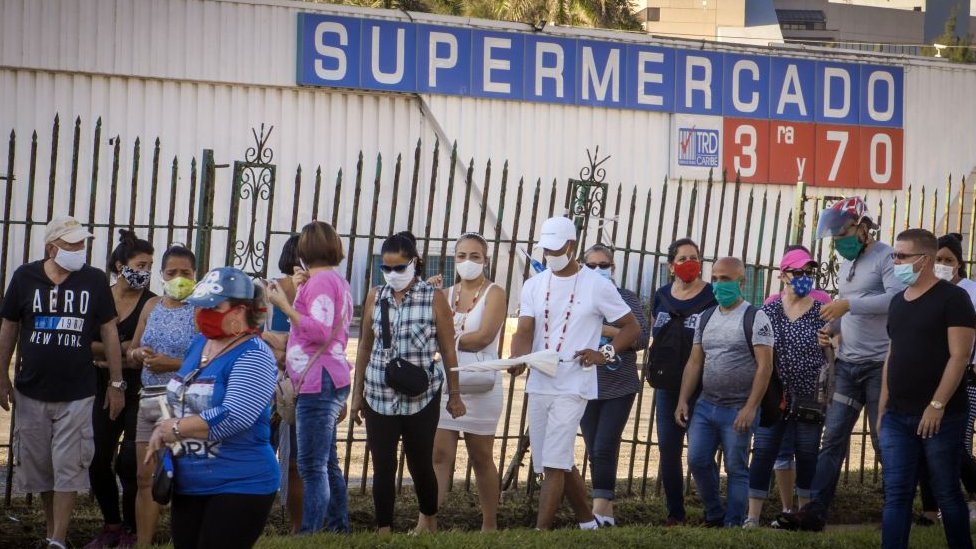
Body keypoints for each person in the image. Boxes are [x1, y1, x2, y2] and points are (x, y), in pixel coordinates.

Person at [777, 197, 904, 532]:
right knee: (832, 439)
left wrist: (848, 304)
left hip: (879, 365)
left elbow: (895, 299)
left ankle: (896, 509)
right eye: (833, 236)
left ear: (863, 227)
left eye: (842, 233)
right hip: (847, 365)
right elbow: (850, 312)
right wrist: (831, 327)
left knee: (882, 440)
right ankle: (815, 513)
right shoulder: (846, 261)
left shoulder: (885, 256)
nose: (837, 242)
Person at [0, 215, 124, 549]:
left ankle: (57, 539)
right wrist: (1, 377)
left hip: (77, 392)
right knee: (42, 468)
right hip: (31, 390)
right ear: (52, 247)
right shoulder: (25, 277)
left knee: (68, 465)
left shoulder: (94, 281)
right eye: (73, 244)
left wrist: (116, 382)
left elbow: (109, 330)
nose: (80, 250)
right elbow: (9, 326)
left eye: (82, 243)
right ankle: (53, 534)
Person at [509, 217, 640, 530]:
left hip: (575, 382)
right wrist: (517, 358)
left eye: (556, 248)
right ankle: (588, 523)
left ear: (570, 246)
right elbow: (524, 329)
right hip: (540, 380)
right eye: (546, 249)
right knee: (552, 460)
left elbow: (632, 327)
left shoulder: (596, 284)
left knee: (554, 461)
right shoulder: (533, 285)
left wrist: (604, 353)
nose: (550, 255)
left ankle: (541, 531)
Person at [145, 267, 279, 549]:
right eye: (200, 306)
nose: (202, 314)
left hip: (240, 483)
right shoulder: (199, 344)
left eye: (213, 307)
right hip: (189, 483)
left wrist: (176, 429)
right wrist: (163, 428)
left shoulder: (254, 355)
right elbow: (181, 396)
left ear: (241, 310)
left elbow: (235, 415)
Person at [349, 231, 466, 533]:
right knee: (383, 466)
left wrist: (455, 394)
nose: (392, 274)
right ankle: (383, 529)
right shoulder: (377, 295)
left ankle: (429, 520)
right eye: (386, 268)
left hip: (420, 396)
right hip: (378, 393)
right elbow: (364, 346)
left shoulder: (433, 297)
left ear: (415, 263)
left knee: (419, 464)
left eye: (399, 268)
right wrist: (357, 393)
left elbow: (448, 348)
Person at [878, 229, 975, 549]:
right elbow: (892, 355)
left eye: (902, 256)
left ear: (925, 260)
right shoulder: (897, 302)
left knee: (946, 491)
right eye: (894, 255)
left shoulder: (954, 298)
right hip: (897, 417)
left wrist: (937, 404)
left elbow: (960, 356)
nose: (896, 262)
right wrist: (882, 410)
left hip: (942, 417)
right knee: (897, 494)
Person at [675, 257, 774, 528]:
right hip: (707, 405)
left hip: (739, 407)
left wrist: (751, 407)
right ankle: (715, 514)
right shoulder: (706, 317)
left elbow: (765, 366)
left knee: (736, 467)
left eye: (726, 279)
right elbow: (695, 361)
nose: (719, 285)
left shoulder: (756, 317)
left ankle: (733, 524)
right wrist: (683, 399)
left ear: (741, 282)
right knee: (697, 459)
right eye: (715, 279)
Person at [267, 221, 353, 535]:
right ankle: (337, 527)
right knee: (326, 462)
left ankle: (311, 532)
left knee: (311, 466)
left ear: (304, 250)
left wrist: (284, 306)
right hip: (326, 377)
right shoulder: (334, 281)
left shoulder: (321, 283)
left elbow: (318, 330)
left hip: (318, 381)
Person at [745, 246, 829, 527]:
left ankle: (803, 514)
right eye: (798, 272)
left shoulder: (821, 311)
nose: (805, 277)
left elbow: (835, 354)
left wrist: (832, 345)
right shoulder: (767, 310)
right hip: (775, 397)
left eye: (809, 272)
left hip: (809, 397)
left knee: (807, 454)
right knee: (764, 451)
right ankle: (752, 516)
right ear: (783, 276)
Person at [430, 233, 507, 531]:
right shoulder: (445, 294)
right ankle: (429, 520)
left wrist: (449, 340)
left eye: (475, 256)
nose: (468, 262)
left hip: (482, 384)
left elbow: (484, 337)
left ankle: (490, 523)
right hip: (449, 384)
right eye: (461, 256)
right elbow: (430, 333)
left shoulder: (495, 293)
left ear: (485, 260)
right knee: (439, 454)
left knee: (481, 456)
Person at [86, 230, 156, 549]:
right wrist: (118, 350)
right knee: (98, 457)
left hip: (138, 390)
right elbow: (85, 344)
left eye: (150, 266)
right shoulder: (99, 296)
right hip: (100, 387)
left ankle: (131, 528)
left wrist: (117, 353)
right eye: (140, 265)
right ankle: (111, 525)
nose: (145, 272)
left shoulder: (150, 302)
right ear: (119, 265)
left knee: (130, 460)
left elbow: (142, 354)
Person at [127, 244, 198, 547]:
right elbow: (131, 349)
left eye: (186, 273)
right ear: (162, 275)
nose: (179, 278)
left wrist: (171, 364)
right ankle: (143, 542)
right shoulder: (150, 306)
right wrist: (138, 354)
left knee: (185, 480)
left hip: (185, 403)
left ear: (196, 275)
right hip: (148, 402)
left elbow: (209, 360)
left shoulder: (201, 310)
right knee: (145, 478)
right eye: (172, 273)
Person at [578, 244, 650, 527]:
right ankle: (607, 512)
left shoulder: (626, 299)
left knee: (606, 444)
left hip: (618, 384)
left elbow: (641, 339)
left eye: (603, 265)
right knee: (595, 448)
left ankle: (597, 511)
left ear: (612, 267)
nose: (597, 270)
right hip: (585, 382)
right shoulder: (577, 297)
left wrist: (606, 330)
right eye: (591, 265)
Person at [646, 238, 716, 526]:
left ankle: (714, 510)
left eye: (695, 257)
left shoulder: (711, 296)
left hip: (702, 385)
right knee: (668, 450)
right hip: (667, 386)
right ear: (671, 265)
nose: (690, 263)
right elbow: (655, 331)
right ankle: (675, 512)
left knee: (700, 452)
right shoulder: (661, 295)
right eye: (683, 258)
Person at [915, 233, 976, 522]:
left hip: (965, 379)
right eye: (937, 259)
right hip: (927, 378)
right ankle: (929, 510)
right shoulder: (925, 290)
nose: (941, 264)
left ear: (959, 263)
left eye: (948, 260)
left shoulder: (970, 291)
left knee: (953, 446)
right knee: (925, 440)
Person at [261, 235, 306, 534]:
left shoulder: (315, 293)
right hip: (267, 384)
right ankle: (257, 521)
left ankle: (297, 525)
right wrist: (276, 345)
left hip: (300, 385)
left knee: (296, 462)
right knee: (263, 453)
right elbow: (254, 330)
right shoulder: (268, 288)